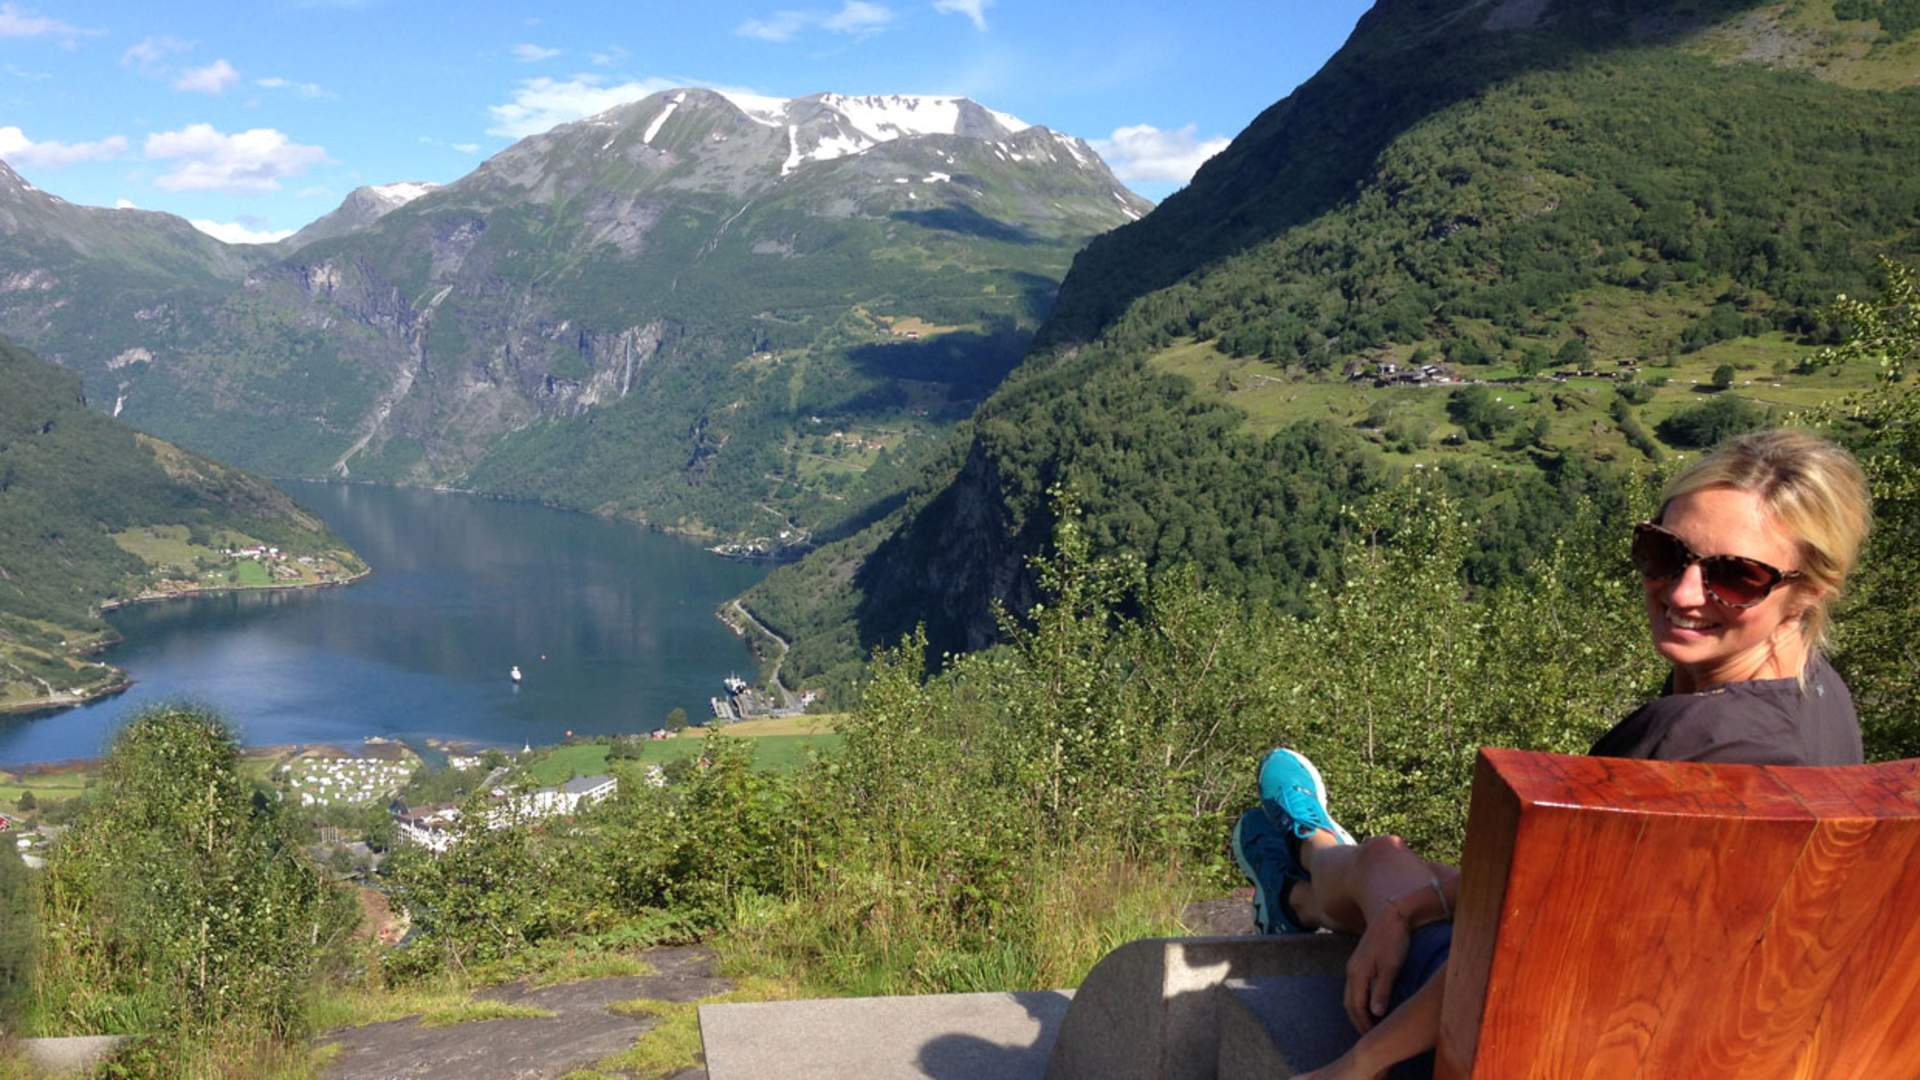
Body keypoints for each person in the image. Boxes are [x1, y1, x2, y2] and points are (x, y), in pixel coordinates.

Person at [1230, 428, 1873, 1080]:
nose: (1682, 593)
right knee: (1410, 886)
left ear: (1811, 588)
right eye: (1665, 553)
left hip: (1545, 1043)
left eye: (1736, 577)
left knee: (1383, 863)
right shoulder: (1822, 702)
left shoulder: (1690, 745)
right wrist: (1418, 906)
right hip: (1704, 1036)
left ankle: (1305, 861)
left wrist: (1356, 1065)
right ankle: (1301, 878)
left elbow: (1522, 953)